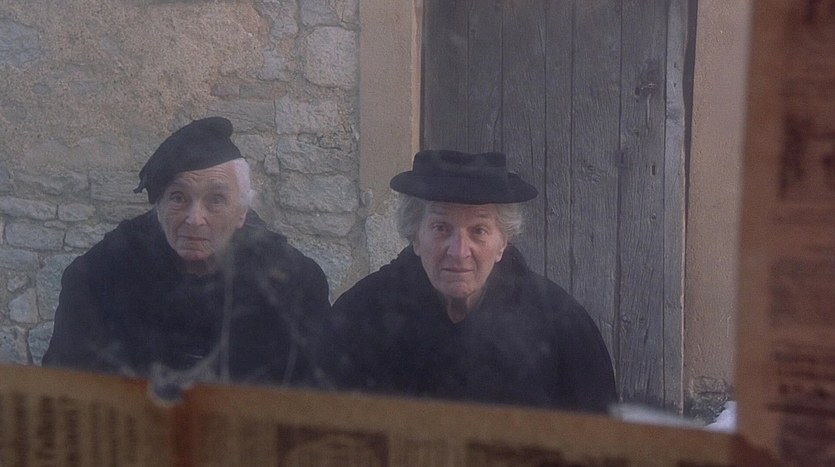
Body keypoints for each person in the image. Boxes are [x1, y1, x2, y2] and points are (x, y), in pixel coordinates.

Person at [318, 149, 617, 413]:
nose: (459, 251)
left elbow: (601, 441)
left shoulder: (561, 326)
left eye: (479, 231)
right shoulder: (362, 315)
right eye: (441, 227)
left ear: (503, 242)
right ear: (415, 236)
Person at [43, 117, 331, 388]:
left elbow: (315, 398)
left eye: (216, 200)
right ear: (159, 207)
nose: (195, 219)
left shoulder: (293, 282)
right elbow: (66, 387)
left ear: (241, 212)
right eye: (178, 197)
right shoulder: (102, 274)